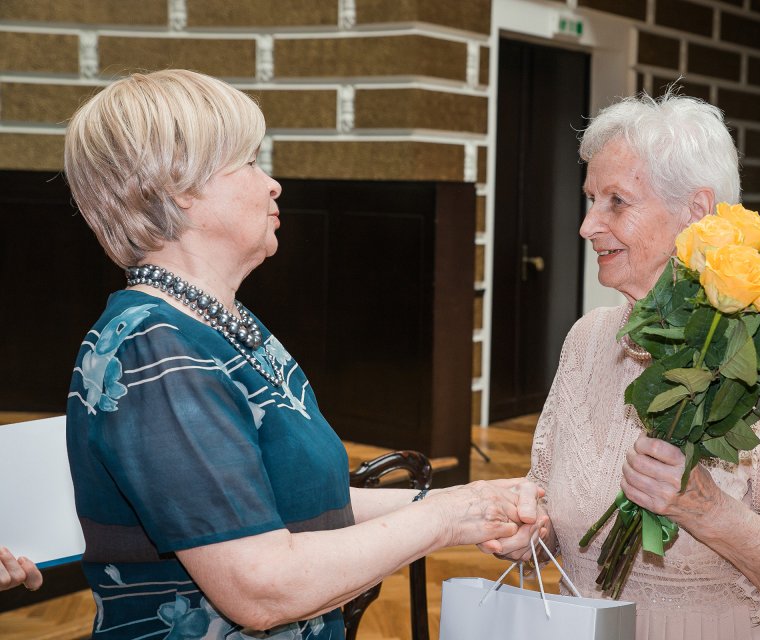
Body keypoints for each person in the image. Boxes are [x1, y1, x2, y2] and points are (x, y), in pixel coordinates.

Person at [64, 69, 546, 640]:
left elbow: (300, 503)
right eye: (247, 163)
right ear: (179, 190)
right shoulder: (156, 350)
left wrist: (472, 504)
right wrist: (443, 519)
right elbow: (261, 589)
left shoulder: (221, 321)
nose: (273, 185)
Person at [525, 92, 760, 639]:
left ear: (696, 210)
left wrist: (707, 510)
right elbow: (546, 491)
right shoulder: (586, 340)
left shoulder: (757, 356)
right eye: (590, 199)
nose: (587, 225)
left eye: (616, 202)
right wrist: (531, 526)